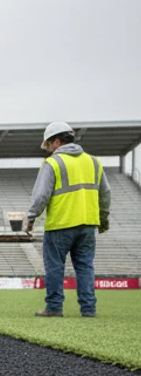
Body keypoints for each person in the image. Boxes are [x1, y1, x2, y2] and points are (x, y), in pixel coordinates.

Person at [27, 122, 112, 317]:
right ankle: (88, 309)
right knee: (85, 266)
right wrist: (102, 217)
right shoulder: (93, 161)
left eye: (49, 144)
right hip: (88, 223)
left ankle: (54, 307)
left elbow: (41, 196)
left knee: (55, 266)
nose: (48, 149)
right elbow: (105, 193)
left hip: (61, 224)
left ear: (57, 141)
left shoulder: (53, 163)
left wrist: (31, 217)